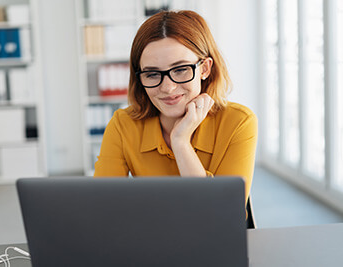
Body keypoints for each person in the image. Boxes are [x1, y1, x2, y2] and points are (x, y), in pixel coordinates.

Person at [94, 10, 257, 204]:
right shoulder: (123, 124)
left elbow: (221, 213)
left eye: (180, 70)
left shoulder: (238, 122)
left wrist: (180, 142)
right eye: (152, 74)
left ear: (204, 69)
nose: (168, 88)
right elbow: (102, 205)